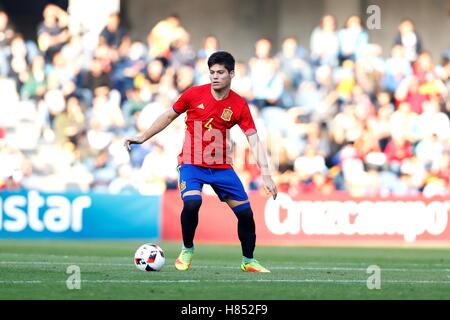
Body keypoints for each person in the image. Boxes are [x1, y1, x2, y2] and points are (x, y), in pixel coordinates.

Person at [124, 51, 278, 272]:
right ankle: (187, 249)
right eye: (212, 72)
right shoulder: (194, 94)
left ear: (232, 74)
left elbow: (253, 139)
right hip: (191, 163)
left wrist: (266, 175)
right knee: (193, 202)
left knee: (245, 214)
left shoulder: (238, 105)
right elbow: (168, 116)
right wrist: (142, 136)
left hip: (221, 166)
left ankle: (248, 260)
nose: (215, 76)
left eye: (220, 72)